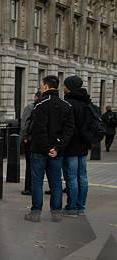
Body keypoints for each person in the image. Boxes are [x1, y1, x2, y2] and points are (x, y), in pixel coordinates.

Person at [24, 75, 74, 223]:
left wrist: (46, 148)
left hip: (40, 150)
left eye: (41, 85)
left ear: (45, 86)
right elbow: (69, 130)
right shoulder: (67, 106)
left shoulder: (39, 105)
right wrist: (57, 147)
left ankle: (36, 212)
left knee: (37, 181)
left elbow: (39, 130)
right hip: (57, 151)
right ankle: (56, 212)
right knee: (56, 182)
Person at [62, 76, 91, 217]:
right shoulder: (87, 103)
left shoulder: (67, 103)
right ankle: (81, 206)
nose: (63, 87)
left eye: (65, 85)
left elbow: (66, 126)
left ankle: (72, 206)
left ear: (70, 87)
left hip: (71, 145)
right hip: (84, 144)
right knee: (83, 176)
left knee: (71, 177)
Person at [20, 90, 42, 196]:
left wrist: (24, 137)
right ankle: (34, 187)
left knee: (30, 164)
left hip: (29, 139)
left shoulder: (30, 107)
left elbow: (25, 123)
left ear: (35, 97)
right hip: (39, 140)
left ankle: (29, 187)